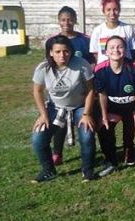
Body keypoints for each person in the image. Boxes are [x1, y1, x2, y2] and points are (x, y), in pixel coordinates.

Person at [30, 35, 97, 182]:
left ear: (71, 51)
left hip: (79, 107)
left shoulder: (81, 64)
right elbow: (37, 91)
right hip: (56, 108)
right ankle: (48, 170)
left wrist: (86, 113)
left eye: (66, 51)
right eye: (58, 51)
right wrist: (43, 114)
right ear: (50, 53)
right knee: (38, 138)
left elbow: (91, 90)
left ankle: (87, 170)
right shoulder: (43, 68)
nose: (62, 55)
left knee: (87, 134)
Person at [94, 36, 135, 177]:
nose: (116, 50)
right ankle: (110, 160)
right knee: (104, 127)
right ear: (106, 51)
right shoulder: (100, 69)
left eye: (120, 47)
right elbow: (102, 95)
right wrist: (104, 116)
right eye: (112, 47)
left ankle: (130, 151)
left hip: (132, 107)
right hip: (112, 109)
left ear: (126, 50)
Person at [51, 6, 94, 166]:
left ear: (75, 20)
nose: (66, 23)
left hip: (81, 90)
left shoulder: (85, 40)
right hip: (61, 90)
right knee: (59, 123)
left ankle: (87, 155)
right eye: (63, 19)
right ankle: (57, 153)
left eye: (69, 19)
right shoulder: (53, 41)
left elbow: (92, 61)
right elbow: (50, 66)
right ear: (58, 21)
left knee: (84, 123)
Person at [89, 0, 135, 64]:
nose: (112, 13)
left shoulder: (128, 29)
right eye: (108, 10)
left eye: (115, 9)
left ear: (119, 10)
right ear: (103, 11)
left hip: (125, 70)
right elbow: (95, 53)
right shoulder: (97, 31)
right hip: (104, 71)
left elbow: (133, 51)